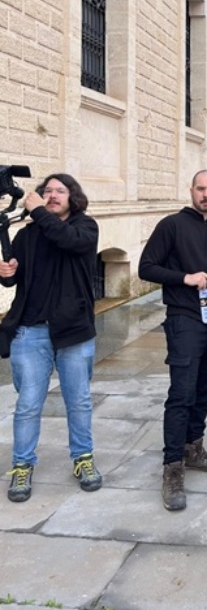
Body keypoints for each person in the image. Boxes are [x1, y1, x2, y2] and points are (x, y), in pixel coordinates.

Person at [0, 173, 101, 503]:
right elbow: (14, 283)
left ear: (73, 197)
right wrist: (7, 273)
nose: (52, 195)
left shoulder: (85, 228)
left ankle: (83, 459)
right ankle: (22, 465)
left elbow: (68, 241)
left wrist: (38, 211)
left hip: (73, 332)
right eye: (47, 191)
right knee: (28, 405)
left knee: (79, 401)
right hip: (30, 331)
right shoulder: (29, 235)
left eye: (60, 191)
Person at [138, 170, 207, 512]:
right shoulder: (172, 226)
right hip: (183, 318)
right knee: (181, 393)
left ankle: (193, 447)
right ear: (191, 190)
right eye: (201, 189)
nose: (206, 194)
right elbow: (146, 268)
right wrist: (184, 277)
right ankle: (172, 468)